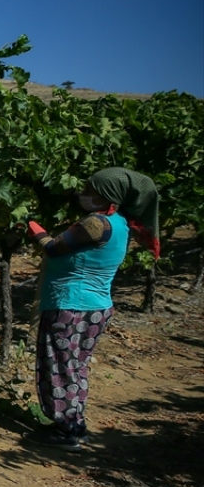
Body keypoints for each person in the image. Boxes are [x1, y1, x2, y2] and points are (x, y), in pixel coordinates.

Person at [24, 167, 160, 450]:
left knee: (60, 366)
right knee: (76, 366)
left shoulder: (96, 224)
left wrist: (36, 230)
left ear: (106, 195)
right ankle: (75, 423)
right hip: (96, 308)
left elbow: (53, 248)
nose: (83, 194)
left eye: (89, 190)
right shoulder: (122, 222)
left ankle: (68, 431)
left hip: (70, 306)